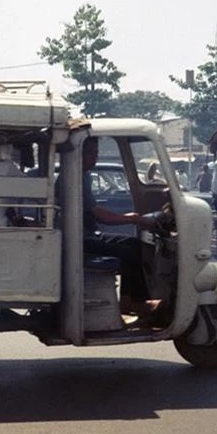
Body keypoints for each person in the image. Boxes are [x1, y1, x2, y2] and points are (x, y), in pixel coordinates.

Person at [58, 137, 159, 320]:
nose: (93, 157)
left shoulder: (84, 174)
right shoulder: (72, 177)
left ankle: (130, 300)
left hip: (87, 235)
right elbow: (97, 214)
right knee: (128, 253)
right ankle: (135, 302)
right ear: (77, 154)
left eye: (95, 153)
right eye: (89, 153)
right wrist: (131, 219)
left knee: (135, 245)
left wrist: (131, 218)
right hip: (79, 239)